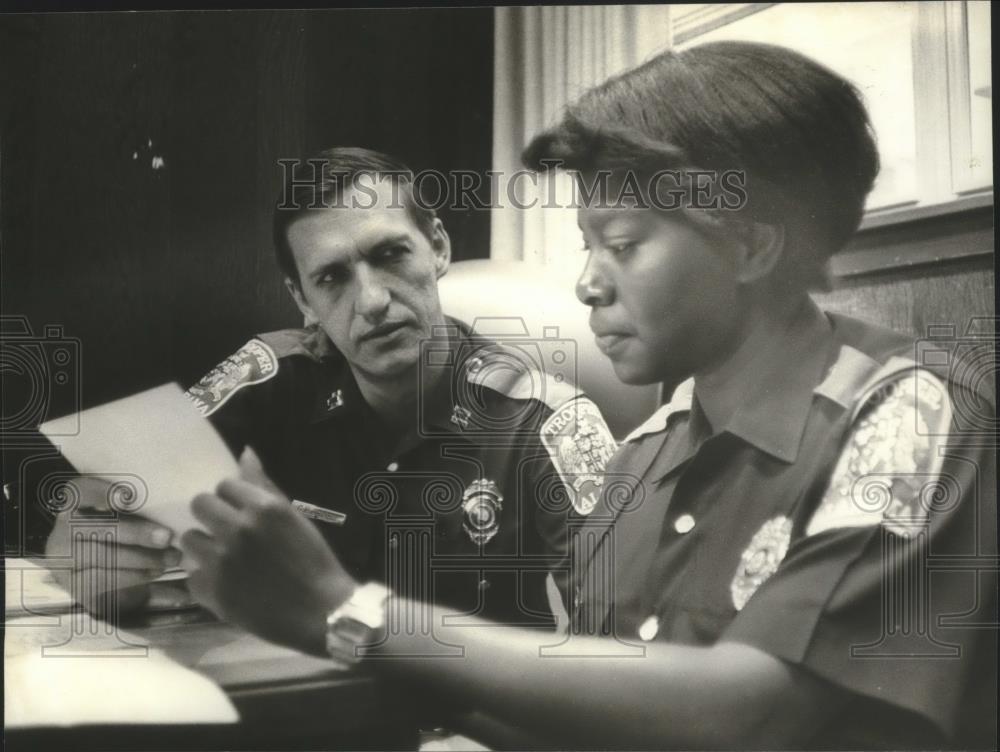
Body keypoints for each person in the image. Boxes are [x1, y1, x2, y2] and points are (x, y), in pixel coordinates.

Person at [178, 43, 996, 749]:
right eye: (585, 245)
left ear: (749, 244)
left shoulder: (910, 415)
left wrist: (351, 616)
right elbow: (591, 717)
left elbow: (756, 716)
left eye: (624, 245)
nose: (584, 283)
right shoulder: (644, 456)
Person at [41, 147, 617, 629]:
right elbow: (97, 512)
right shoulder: (266, 376)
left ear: (438, 247)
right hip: (305, 708)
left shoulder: (549, 421)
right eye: (332, 278)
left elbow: (619, 636)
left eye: (390, 255)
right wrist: (92, 560)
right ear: (302, 300)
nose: (370, 301)